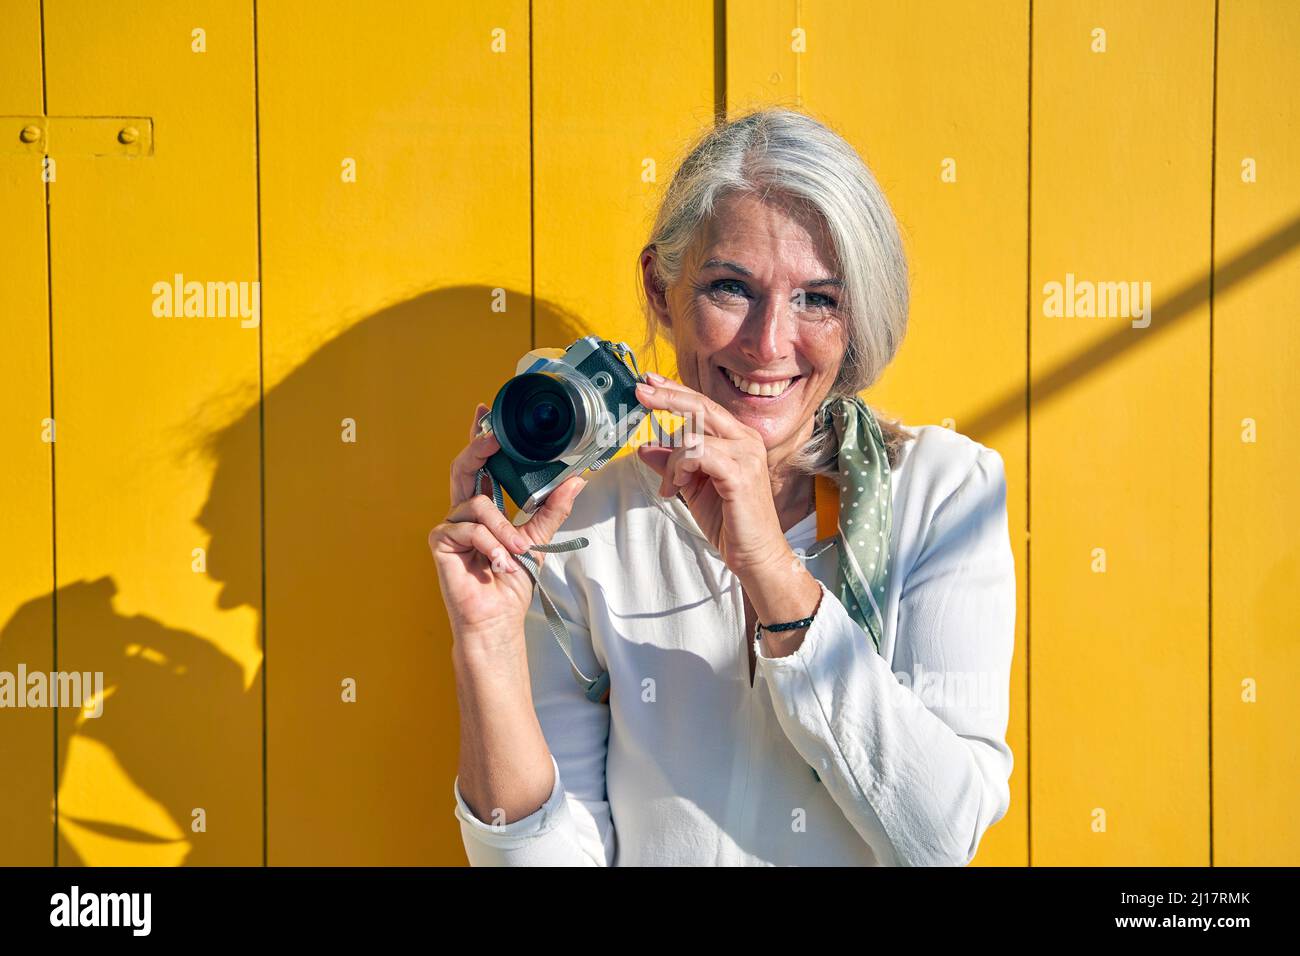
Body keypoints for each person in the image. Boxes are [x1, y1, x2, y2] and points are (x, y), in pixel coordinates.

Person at [429, 107, 1016, 866]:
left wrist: (770, 568)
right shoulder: (586, 523)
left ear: (857, 314)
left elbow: (939, 837)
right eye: (731, 287)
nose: (769, 344)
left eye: (818, 299)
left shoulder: (943, 493)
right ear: (660, 289)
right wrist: (489, 642)